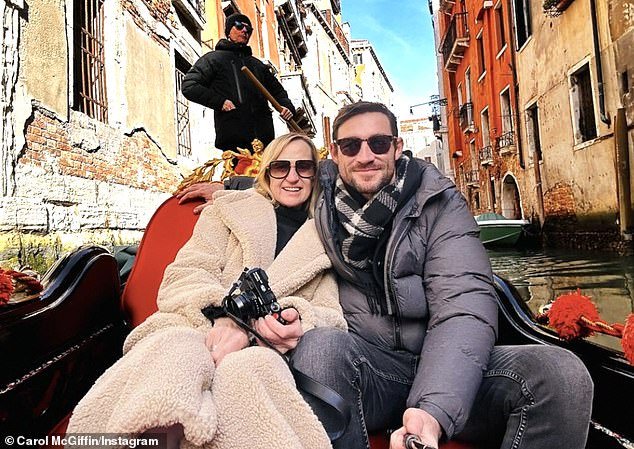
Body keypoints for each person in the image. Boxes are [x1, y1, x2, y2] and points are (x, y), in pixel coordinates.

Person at [286, 101, 594, 449]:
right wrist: (223, 188)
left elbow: (463, 306)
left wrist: (431, 411)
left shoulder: (439, 202)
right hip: (371, 371)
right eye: (351, 146)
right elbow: (268, 179)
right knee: (320, 346)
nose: (365, 155)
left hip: (449, 365)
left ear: (397, 147)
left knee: (560, 374)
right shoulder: (319, 199)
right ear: (337, 155)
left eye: (379, 143)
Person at [66, 133, 347, 449]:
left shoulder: (325, 239)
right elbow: (186, 275)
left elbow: (329, 314)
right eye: (281, 167)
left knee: (246, 373)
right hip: (200, 325)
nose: (292, 177)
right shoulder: (227, 212)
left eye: (304, 167)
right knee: (175, 352)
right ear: (268, 173)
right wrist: (225, 314)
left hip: (267, 349)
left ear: (316, 173)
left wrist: (287, 320)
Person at [182, 13, 295, 154]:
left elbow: (278, 92)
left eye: (249, 29)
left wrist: (287, 107)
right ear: (229, 30)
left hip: (264, 142)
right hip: (234, 142)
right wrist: (220, 102)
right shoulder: (214, 59)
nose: (244, 31)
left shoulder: (258, 66)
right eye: (239, 26)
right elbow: (189, 86)